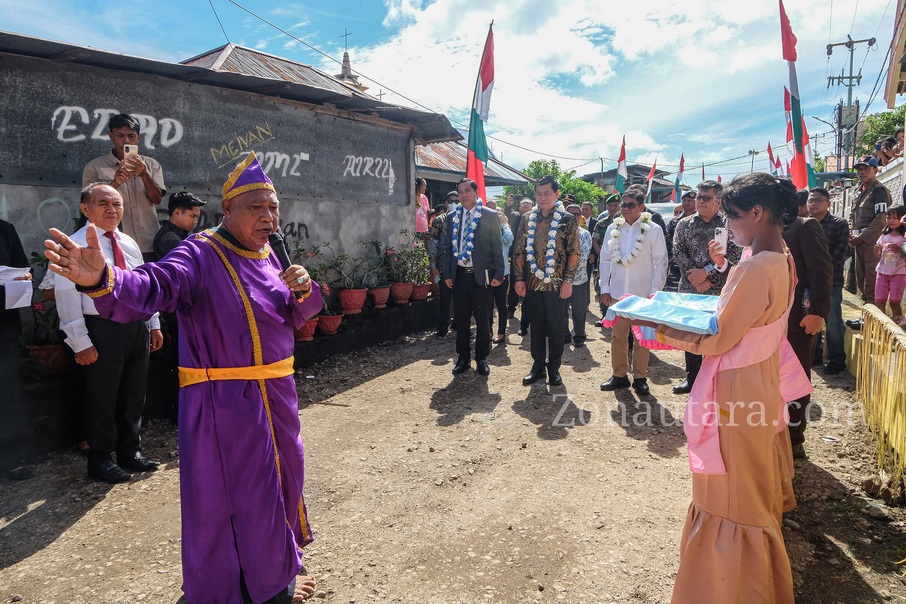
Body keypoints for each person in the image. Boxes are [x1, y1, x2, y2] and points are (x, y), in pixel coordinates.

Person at [46, 152, 322, 603]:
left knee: (283, 481)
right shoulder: (200, 252)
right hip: (225, 404)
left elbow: (295, 316)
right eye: (256, 207)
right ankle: (259, 588)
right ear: (227, 210)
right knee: (240, 499)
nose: (268, 217)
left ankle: (277, 568)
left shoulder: (270, 254)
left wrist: (305, 289)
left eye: (273, 208)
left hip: (278, 396)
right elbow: (155, 284)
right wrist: (104, 281)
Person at [647, 173, 805, 604]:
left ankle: (730, 585)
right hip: (760, 375)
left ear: (757, 213)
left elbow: (720, 338)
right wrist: (724, 267)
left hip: (736, 384)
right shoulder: (779, 255)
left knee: (729, 485)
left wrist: (657, 327)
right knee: (750, 474)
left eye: (732, 216)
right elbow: (749, 317)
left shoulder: (756, 266)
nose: (728, 226)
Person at [55, 183, 164, 483]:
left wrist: (152, 323)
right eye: (103, 203)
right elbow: (66, 298)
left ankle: (130, 450)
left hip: (135, 327)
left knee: (133, 392)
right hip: (100, 328)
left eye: (117, 204)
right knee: (101, 397)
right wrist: (79, 341)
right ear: (85, 209)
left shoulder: (127, 242)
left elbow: (142, 286)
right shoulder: (74, 245)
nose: (112, 209)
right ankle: (100, 458)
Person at [671, 180, 743, 395]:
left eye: (705, 197)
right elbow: (678, 253)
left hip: (719, 290)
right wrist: (696, 277)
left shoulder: (731, 224)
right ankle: (692, 379)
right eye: (698, 197)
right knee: (692, 336)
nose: (699, 201)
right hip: (691, 289)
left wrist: (708, 276)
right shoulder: (684, 224)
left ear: (718, 200)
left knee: (718, 336)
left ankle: (715, 381)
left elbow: (735, 255)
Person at [598, 185, 668, 395]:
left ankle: (640, 377)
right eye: (623, 205)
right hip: (618, 293)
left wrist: (655, 291)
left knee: (641, 338)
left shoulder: (653, 230)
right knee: (618, 337)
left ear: (641, 206)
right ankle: (619, 375)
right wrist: (604, 287)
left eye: (630, 205)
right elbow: (605, 258)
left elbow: (660, 262)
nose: (625, 209)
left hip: (643, 294)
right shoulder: (613, 228)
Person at [513, 175, 581, 387]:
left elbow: (574, 252)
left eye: (547, 194)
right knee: (537, 325)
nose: (542, 198)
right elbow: (519, 251)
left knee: (556, 326)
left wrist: (569, 280)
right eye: (538, 194)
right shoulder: (527, 219)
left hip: (557, 284)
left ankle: (554, 368)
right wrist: (518, 278)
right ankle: (538, 366)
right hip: (532, 283)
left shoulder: (567, 220)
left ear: (557, 194)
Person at [782, 192, 832, 460]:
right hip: (770, 321)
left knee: (796, 379)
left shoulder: (805, 226)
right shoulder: (764, 230)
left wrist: (817, 312)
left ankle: (794, 439)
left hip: (798, 320)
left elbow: (821, 272)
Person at [83, 113, 166, 262]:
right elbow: (87, 204)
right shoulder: (95, 167)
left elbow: (157, 199)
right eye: (120, 135)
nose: (126, 140)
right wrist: (115, 183)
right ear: (111, 136)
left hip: (148, 242)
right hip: (112, 242)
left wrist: (145, 175)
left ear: (138, 138)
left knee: (149, 284)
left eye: (131, 136)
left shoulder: (152, 165)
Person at [442, 178, 505, 376]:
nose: (463, 195)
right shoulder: (452, 217)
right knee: (461, 319)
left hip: (482, 276)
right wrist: (448, 273)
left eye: (467, 190)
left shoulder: (489, 215)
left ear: (476, 192)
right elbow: (449, 248)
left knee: (483, 318)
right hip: (460, 275)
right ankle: (463, 357)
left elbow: (497, 246)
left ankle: (482, 358)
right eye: (460, 191)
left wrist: (499, 273)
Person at [807, 187, 850, 375]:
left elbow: (839, 254)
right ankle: (813, 356)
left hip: (832, 281)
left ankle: (837, 359)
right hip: (808, 281)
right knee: (810, 317)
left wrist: (819, 272)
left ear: (828, 203)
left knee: (832, 321)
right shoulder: (803, 224)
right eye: (810, 200)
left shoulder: (839, 224)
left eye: (817, 200)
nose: (813, 204)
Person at [0, 220, 32, 476]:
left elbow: (22, 268)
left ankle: (9, 461)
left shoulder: (5, 229)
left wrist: (23, 279)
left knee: (6, 394)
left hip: (4, 327)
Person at [849, 155, 891, 303]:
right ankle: (864, 315)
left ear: (875, 170)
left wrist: (861, 237)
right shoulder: (859, 190)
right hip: (858, 240)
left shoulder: (879, 191)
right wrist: (850, 234)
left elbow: (881, 220)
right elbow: (852, 215)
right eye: (859, 169)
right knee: (860, 279)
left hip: (872, 240)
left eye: (866, 168)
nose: (862, 172)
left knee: (871, 280)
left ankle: (872, 317)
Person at [563, 204, 593, 347]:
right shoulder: (559, 232)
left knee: (579, 310)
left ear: (580, 217)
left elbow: (583, 257)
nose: (573, 217)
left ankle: (579, 335)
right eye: (570, 214)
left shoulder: (585, 234)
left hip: (579, 279)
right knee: (561, 310)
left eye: (576, 214)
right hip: (561, 280)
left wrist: (564, 265)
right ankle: (564, 335)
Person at [152, 191, 206, 261]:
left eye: (197, 217)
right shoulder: (169, 237)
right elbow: (190, 261)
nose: (195, 221)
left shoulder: (179, 234)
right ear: (177, 213)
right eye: (192, 216)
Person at [874, 206, 906, 317]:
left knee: (894, 303)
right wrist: (876, 250)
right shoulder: (884, 236)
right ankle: (881, 327)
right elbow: (879, 254)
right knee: (879, 301)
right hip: (882, 272)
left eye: (894, 218)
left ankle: (898, 327)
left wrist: (899, 248)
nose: (890, 221)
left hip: (898, 273)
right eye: (888, 217)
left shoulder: (904, 237)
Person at [664, 190, 697, 292]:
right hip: (675, 267)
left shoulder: (701, 220)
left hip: (696, 267)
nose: (686, 203)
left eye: (690, 200)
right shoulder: (674, 221)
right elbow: (667, 244)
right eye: (685, 200)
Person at [490, 210, 514, 344]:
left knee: (501, 305)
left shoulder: (504, 235)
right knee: (487, 306)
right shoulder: (486, 232)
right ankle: (488, 332)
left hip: (502, 274)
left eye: (499, 214)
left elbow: (510, 240)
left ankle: (501, 333)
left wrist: (504, 223)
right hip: (486, 274)